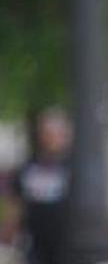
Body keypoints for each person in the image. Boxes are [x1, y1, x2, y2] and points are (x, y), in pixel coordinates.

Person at [7, 108, 72, 264]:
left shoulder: (74, 167)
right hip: (34, 239)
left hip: (66, 240)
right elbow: (17, 201)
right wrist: (11, 226)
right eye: (48, 133)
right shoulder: (29, 167)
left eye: (57, 134)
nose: (52, 139)